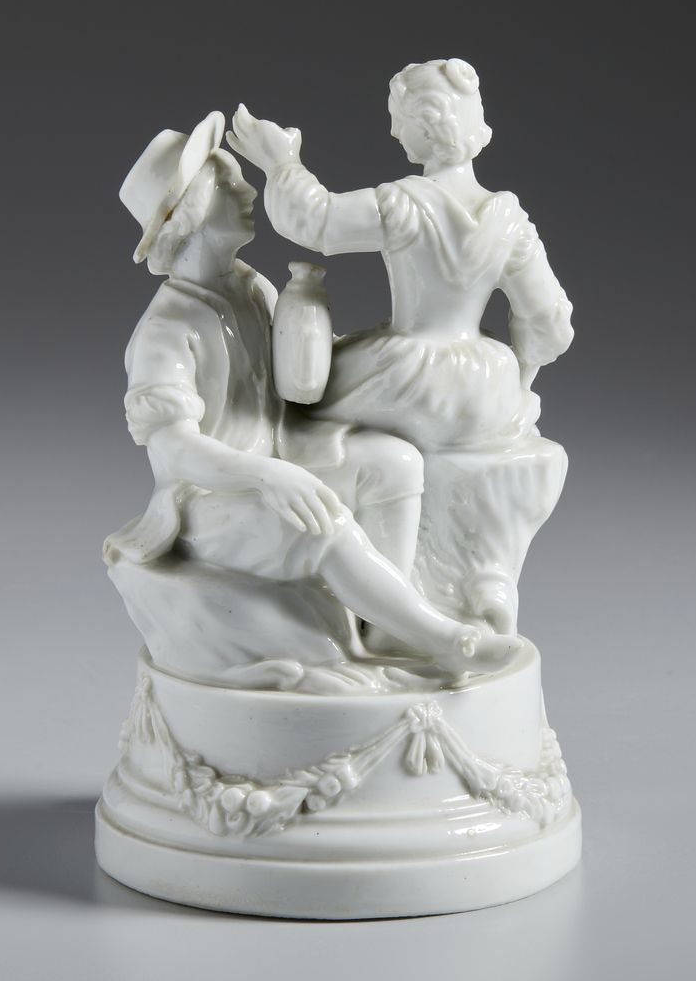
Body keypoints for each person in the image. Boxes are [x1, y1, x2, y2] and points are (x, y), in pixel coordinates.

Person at [103, 111, 525, 674]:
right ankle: (447, 642)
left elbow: (296, 386)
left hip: (283, 455)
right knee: (322, 522)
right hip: (210, 499)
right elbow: (172, 451)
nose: (248, 191)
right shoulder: (168, 328)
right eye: (229, 185)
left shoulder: (251, 287)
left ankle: (387, 627)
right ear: (190, 212)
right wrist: (266, 477)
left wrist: (310, 320)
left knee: (394, 462)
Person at [227, 61, 575, 631]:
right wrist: (519, 381)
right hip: (485, 385)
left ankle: (338, 571)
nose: (393, 132)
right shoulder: (510, 219)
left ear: (427, 124)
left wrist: (280, 162)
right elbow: (550, 321)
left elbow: (316, 222)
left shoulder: (405, 202)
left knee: (292, 409)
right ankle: (476, 587)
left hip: (411, 372)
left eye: (399, 120)